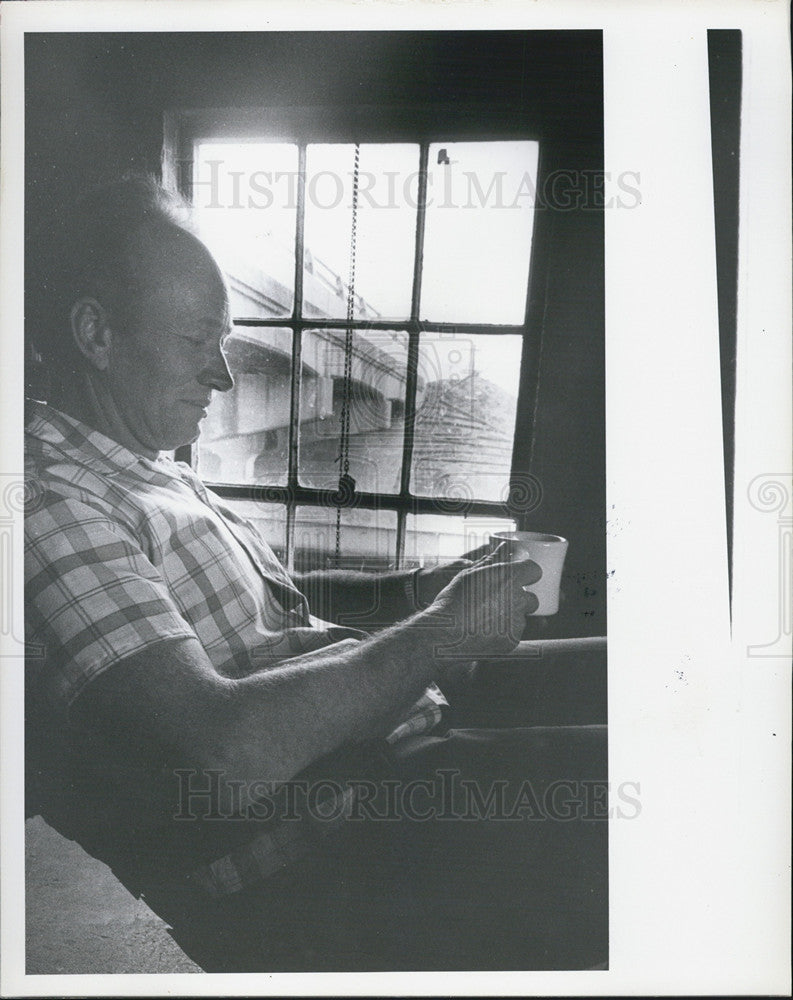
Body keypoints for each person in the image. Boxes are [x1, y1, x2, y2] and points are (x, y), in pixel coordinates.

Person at [25, 175, 608, 972]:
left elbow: (284, 615)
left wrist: (431, 586)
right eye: (198, 342)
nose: (225, 377)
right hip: (342, 850)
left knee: (630, 676)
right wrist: (441, 633)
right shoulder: (46, 505)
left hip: (385, 757)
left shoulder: (148, 467)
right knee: (658, 778)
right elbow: (225, 761)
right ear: (96, 333)